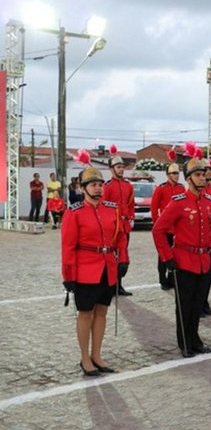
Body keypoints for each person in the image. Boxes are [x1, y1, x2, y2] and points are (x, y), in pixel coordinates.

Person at [61, 149, 128, 376]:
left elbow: (120, 236)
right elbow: (68, 247)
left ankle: (97, 354)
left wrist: (122, 259)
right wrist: (68, 276)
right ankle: (84, 358)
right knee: (85, 314)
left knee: (102, 313)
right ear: (83, 188)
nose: (98, 188)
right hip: (85, 270)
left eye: (100, 184)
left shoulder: (112, 210)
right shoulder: (75, 213)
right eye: (93, 184)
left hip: (107, 268)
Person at [152, 151, 211, 358]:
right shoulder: (179, 201)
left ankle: (195, 339)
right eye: (198, 175)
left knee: (198, 304)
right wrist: (167, 257)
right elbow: (159, 229)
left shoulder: (209, 200)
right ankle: (185, 343)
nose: (202, 178)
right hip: (183, 260)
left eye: (203, 175)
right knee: (184, 305)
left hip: (203, 261)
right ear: (188, 178)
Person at [101, 146, 133, 296]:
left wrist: (131, 217)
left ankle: (119, 285)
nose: (121, 170)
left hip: (125, 226)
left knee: (122, 257)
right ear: (111, 169)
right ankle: (110, 284)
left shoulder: (128, 186)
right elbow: (103, 207)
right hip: (113, 227)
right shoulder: (106, 187)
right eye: (118, 167)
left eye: (122, 167)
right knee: (112, 257)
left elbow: (130, 204)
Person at [150, 152, 184, 290]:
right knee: (163, 255)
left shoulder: (181, 188)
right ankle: (162, 279)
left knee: (175, 254)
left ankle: (172, 279)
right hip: (165, 228)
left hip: (177, 229)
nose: (176, 175)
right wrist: (158, 224)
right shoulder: (161, 189)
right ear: (168, 175)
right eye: (174, 173)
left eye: (177, 173)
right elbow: (154, 208)